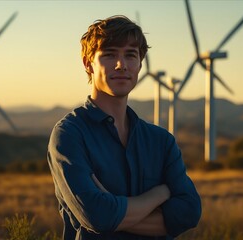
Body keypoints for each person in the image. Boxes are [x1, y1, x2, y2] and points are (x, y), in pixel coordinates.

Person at [47, 15, 201, 240]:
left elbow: (189, 213)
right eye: (109, 54)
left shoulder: (161, 141)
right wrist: (160, 194)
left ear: (140, 64)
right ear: (88, 63)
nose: (121, 65)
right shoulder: (69, 135)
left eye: (131, 55)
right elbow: (95, 216)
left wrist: (114, 213)